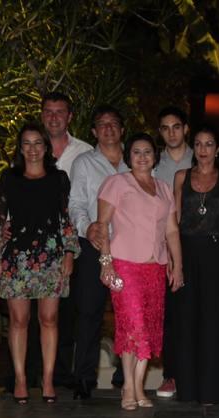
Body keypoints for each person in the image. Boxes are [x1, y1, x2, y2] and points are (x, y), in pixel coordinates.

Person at [0, 123, 80, 403]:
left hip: (51, 256)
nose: (33, 149)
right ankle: (21, 380)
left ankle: (48, 381)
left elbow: (66, 217)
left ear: (46, 147)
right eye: (26, 143)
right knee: (19, 320)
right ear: (20, 148)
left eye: (38, 142)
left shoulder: (59, 178)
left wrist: (69, 252)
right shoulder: (9, 178)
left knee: (49, 319)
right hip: (16, 257)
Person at [95, 133, 183, 410]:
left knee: (150, 327)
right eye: (136, 152)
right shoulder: (116, 183)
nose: (142, 157)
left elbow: (171, 230)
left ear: (155, 156)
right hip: (124, 264)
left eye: (147, 152)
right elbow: (102, 225)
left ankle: (138, 386)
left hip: (155, 267)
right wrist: (106, 262)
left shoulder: (164, 188)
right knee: (133, 326)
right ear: (128, 156)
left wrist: (177, 264)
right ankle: (130, 388)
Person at [171, 125, 219, 405]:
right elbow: (173, 220)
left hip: (214, 253)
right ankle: (187, 390)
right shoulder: (181, 176)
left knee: (212, 320)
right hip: (185, 251)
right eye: (198, 143)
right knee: (186, 320)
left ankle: (212, 390)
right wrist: (173, 260)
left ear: (218, 148)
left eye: (209, 144)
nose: (203, 149)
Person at [68, 105, 130, 399]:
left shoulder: (137, 159)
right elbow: (76, 203)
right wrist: (87, 227)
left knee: (127, 313)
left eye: (113, 123)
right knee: (89, 312)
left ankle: (125, 376)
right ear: (93, 131)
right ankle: (84, 378)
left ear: (122, 129)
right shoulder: (84, 163)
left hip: (130, 248)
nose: (108, 128)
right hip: (94, 245)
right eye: (102, 124)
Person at [153, 106, 193, 399]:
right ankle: (171, 375)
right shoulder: (153, 164)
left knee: (196, 312)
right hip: (162, 245)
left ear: (186, 128)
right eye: (165, 128)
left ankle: (195, 373)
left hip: (198, 244)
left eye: (176, 126)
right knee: (170, 314)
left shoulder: (201, 157)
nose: (171, 133)